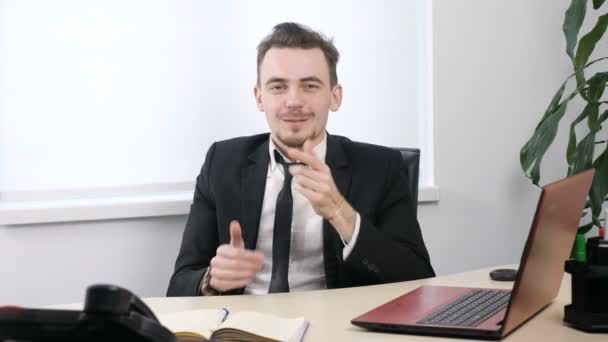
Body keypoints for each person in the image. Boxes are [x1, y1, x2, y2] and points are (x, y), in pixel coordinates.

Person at [167, 22, 434, 296]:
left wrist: (342, 213)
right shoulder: (221, 162)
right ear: (259, 97)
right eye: (278, 87)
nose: (293, 101)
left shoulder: (382, 167)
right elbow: (178, 286)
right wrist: (212, 279)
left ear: (335, 96)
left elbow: (418, 280)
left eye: (309, 86)